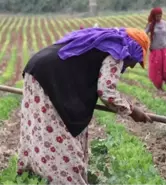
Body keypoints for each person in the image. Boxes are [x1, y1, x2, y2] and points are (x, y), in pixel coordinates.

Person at [17, 27, 153, 185]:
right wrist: (131, 111)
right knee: (61, 138)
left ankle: (32, 177)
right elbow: (106, 92)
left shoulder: (104, 44)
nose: (133, 66)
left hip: (38, 70)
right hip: (48, 78)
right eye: (137, 60)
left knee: (40, 131)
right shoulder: (117, 52)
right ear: (133, 51)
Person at [145, 7, 166, 91]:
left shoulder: (165, 23)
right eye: (157, 16)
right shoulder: (150, 25)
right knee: (157, 69)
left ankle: (164, 81)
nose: (159, 18)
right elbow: (144, 34)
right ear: (154, 16)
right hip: (155, 50)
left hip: (164, 49)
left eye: (160, 16)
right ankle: (159, 86)